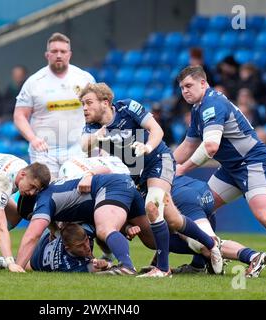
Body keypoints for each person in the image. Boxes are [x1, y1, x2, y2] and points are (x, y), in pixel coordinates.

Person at [173, 65, 266, 276]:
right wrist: (164, 166)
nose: (185, 91)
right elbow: (188, 145)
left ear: (203, 83)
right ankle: (199, 265)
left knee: (265, 214)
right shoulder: (199, 109)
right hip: (232, 167)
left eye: (189, 86)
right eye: (182, 88)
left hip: (253, 162)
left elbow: (211, 147)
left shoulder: (211, 104)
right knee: (200, 205)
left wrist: (182, 169)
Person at [79, 82, 223, 276]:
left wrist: (147, 146)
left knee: (152, 206)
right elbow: (83, 145)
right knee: (173, 220)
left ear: (105, 102)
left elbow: (157, 130)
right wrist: (99, 135)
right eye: (82, 104)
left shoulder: (127, 107)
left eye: (88, 103)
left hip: (158, 159)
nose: (85, 108)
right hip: (138, 174)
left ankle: (162, 269)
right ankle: (210, 243)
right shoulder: (93, 126)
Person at [12, 173, 157, 276]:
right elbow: (100, 214)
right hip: (121, 185)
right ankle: (162, 265)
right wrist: (126, 227)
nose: (37, 219)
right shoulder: (58, 196)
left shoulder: (44, 203)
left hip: (112, 187)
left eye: (34, 216)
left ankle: (126, 266)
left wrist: (17, 267)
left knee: (104, 229)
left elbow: (33, 235)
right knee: (152, 239)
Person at [14, 32, 95, 178]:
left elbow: (97, 111)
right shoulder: (34, 82)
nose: (59, 55)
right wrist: (33, 139)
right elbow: (19, 116)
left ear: (69, 54)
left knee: (76, 192)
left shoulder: (84, 78)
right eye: (54, 51)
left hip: (78, 148)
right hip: (45, 151)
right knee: (46, 194)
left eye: (63, 51)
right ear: (47, 55)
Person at [0, 223, 113, 273]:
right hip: (37, 259)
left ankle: (4, 262)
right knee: (26, 266)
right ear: (68, 248)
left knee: (102, 231)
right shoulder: (67, 265)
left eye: (86, 241)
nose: (87, 247)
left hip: (46, 237)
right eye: (80, 246)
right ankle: (5, 263)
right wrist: (105, 264)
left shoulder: (79, 235)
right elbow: (96, 267)